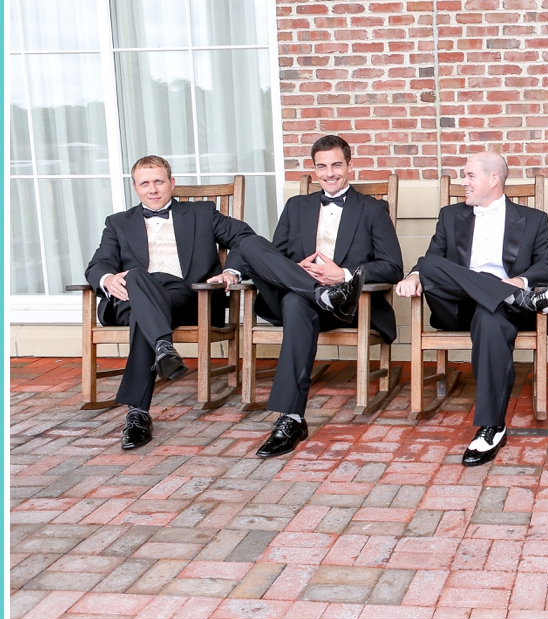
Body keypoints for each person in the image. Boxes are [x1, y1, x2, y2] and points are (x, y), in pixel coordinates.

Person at [232, 134, 405, 458]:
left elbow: (393, 266)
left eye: (336, 164)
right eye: (322, 166)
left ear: (349, 166)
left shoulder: (371, 209)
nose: (329, 173)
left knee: (296, 303)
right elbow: (274, 257)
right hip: (300, 294)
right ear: (314, 170)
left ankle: (290, 417)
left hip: (345, 304)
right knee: (250, 244)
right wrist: (296, 270)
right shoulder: (296, 206)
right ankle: (317, 294)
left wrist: (342, 275)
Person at [397, 152, 548, 466]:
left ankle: (492, 426)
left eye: (470, 175)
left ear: (494, 179)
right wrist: (413, 276)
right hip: (457, 307)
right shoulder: (450, 216)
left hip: (500, 314)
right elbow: (430, 262)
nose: (464, 182)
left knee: (491, 318)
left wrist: (520, 280)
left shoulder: (533, 219)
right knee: (432, 264)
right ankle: (508, 295)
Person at [84, 155, 253, 452]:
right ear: (135, 187)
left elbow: (244, 237)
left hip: (185, 298)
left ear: (171, 183)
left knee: (143, 311)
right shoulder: (118, 223)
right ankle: (162, 348)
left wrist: (231, 271)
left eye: (159, 181)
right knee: (136, 278)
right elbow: (98, 264)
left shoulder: (201, 213)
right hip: (128, 298)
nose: (153, 189)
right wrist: (108, 279)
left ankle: (137, 414)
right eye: (145, 183)